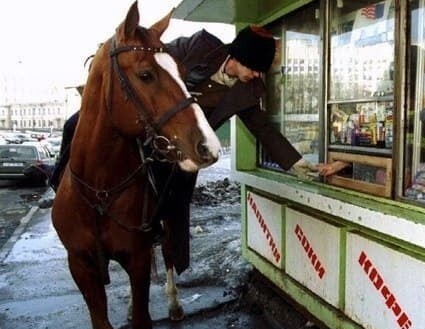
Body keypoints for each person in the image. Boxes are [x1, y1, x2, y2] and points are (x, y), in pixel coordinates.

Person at [48, 25, 342, 273]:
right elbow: (152, 61)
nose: (256, 75)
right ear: (237, 57)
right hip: (150, 117)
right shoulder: (199, 46)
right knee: (75, 123)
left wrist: (299, 165)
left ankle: (162, 239)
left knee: (178, 187)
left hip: (185, 145)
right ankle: (58, 178)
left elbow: (265, 131)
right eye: (253, 68)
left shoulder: (248, 91)